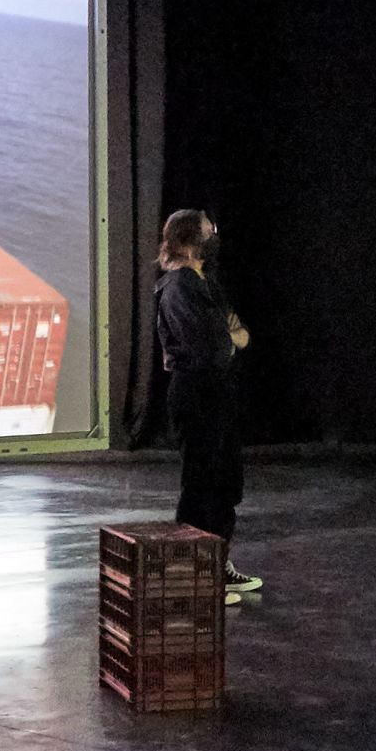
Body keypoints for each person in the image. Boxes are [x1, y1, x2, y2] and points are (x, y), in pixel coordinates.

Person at [153, 208, 258, 602]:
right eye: (206, 231)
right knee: (201, 484)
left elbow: (237, 330)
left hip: (219, 392)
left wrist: (231, 339)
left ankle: (218, 566)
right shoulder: (178, 287)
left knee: (226, 482)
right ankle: (192, 577)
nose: (213, 235)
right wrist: (231, 340)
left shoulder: (207, 282)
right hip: (195, 392)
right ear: (186, 240)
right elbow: (214, 345)